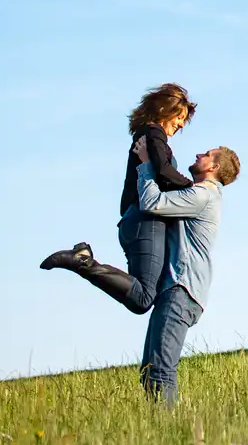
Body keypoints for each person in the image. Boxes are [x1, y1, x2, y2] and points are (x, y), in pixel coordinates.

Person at [40, 83, 198, 313]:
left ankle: (83, 259)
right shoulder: (154, 134)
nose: (182, 123)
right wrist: (193, 189)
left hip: (135, 221)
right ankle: (82, 261)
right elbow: (163, 171)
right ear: (165, 109)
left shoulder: (147, 134)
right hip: (147, 223)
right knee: (143, 298)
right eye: (180, 116)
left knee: (140, 294)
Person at [131, 141, 240, 403]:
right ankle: (158, 428)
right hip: (178, 290)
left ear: (213, 167)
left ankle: (167, 433)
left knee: (160, 370)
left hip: (181, 290)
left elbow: (152, 203)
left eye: (207, 154)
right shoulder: (200, 194)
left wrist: (146, 163)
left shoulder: (203, 195)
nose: (199, 154)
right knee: (150, 371)